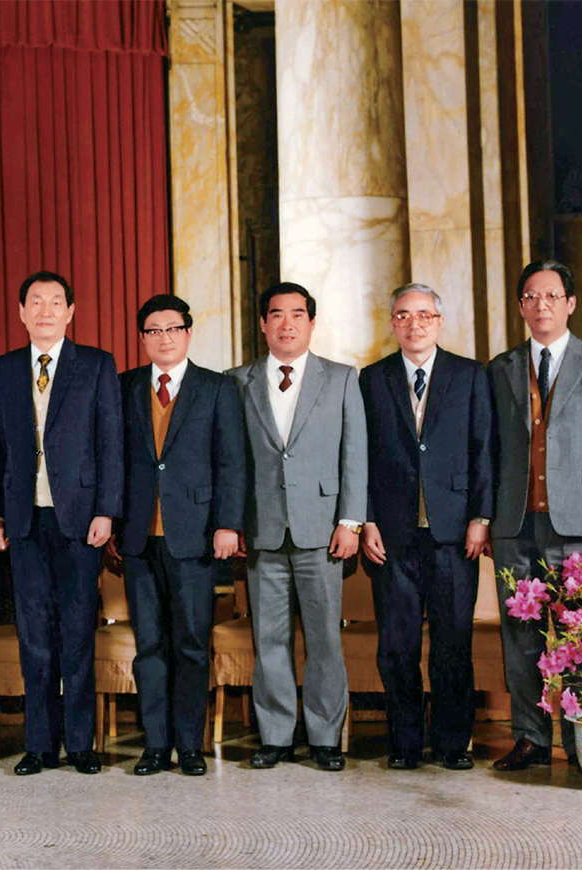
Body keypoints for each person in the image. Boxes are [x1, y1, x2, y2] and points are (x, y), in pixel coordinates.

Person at [488, 259, 582, 771]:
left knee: (580, 636)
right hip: (514, 524)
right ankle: (530, 738)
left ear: (570, 303)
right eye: (531, 296)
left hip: (579, 527)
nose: (541, 305)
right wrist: (486, 518)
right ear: (521, 305)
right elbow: (488, 452)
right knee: (520, 639)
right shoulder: (501, 368)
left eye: (551, 296)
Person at [226, 282, 367, 772]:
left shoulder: (342, 379)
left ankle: (326, 738)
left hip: (323, 531)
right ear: (262, 323)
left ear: (311, 322)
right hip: (261, 531)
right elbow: (232, 462)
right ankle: (277, 736)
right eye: (276, 315)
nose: (287, 324)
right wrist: (233, 522)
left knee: (325, 639)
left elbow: (356, 455)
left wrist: (350, 520)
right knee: (269, 640)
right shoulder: (236, 381)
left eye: (297, 315)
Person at [0, 271, 123, 776]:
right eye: (35, 302)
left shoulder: (95, 365)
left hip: (79, 519)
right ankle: (40, 744)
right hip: (23, 521)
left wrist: (107, 509)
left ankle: (81, 743)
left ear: (71, 311)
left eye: (56, 302)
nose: (45, 310)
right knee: (34, 637)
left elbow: (110, 442)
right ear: (21, 311)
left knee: (77, 633)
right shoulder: (2, 370)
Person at [109, 295, 245, 777]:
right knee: (149, 646)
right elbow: (115, 461)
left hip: (196, 537)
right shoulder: (123, 387)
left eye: (172, 328)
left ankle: (189, 745)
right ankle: (154, 745)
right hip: (139, 538)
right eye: (152, 330)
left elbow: (231, 461)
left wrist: (228, 523)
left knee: (190, 643)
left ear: (188, 332)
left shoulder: (217, 388)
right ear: (141, 338)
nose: (163, 337)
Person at [359, 283, 493, 771]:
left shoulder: (470, 375)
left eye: (424, 315)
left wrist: (481, 518)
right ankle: (406, 744)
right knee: (397, 647)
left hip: (455, 533)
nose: (414, 323)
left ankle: (454, 744)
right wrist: (367, 519)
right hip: (392, 536)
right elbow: (361, 459)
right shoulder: (371, 380)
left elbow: (484, 450)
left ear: (439, 321)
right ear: (392, 322)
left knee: (453, 644)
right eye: (403, 315)